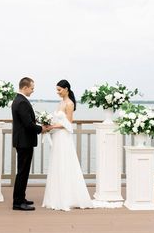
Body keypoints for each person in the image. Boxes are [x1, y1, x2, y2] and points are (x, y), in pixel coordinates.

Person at [42, 79, 93, 211]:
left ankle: (68, 197)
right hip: (57, 136)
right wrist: (48, 124)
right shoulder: (60, 102)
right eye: (57, 90)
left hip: (64, 137)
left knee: (65, 163)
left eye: (59, 89)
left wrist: (52, 126)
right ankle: (56, 196)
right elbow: (57, 119)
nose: (57, 92)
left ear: (66, 89)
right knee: (57, 164)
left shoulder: (69, 104)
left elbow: (69, 123)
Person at [12, 77, 47, 211]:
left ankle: (21, 198)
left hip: (23, 141)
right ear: (25, 87)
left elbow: (26, 121)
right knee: (22, 172)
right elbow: (28, 124)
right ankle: (17, 202)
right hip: (24, 142)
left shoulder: (19, 100)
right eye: (32, 88)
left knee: (23, 171)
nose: (33, 91)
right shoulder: (21, 102)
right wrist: (41, 128)